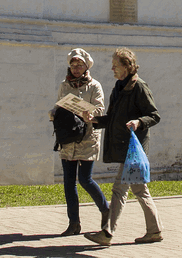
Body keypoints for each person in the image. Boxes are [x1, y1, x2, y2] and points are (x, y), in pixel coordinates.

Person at [84, 48, 161, 246]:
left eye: (115, 65)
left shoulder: (139, 87)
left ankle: (107, 233)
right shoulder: (118, 87)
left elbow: (154, 115)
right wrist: (95, 120)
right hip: (125, 147)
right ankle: (154, 231)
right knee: (139, 190)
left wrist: (138, 121)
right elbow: (112, 118)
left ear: (127, 66)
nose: (112, 68)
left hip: (134, 149)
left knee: (120, 190)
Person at [50, 49, 108, 236]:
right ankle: (73, 223)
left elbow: (100, 109)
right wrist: (54, 113)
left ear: (86, 66)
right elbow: (59, 104)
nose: (76, 68)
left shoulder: (94, 86)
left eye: (79, 65)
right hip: (67, 138)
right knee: (68, 181)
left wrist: (89, 114)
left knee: (85, 179)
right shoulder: (64, 85)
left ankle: (106, 210)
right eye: (73, 65)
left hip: (86, 137)